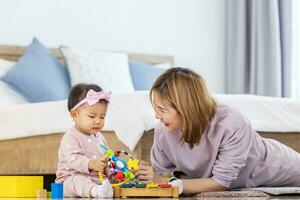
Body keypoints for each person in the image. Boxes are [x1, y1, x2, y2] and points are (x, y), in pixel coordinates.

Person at [134, 67, 300, 195]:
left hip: (280, 165)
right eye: (156, 109)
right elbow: (162, 175)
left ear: (186, 107)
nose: (157, 116)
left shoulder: (232, 123)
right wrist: (147, 175)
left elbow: (220, 184)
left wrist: (168, 182)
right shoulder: (163, 131)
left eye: (162, 110)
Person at [55, 83, 113, 198]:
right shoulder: (71, 136)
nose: (97, 121)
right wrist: (92, 164)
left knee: (112, 181)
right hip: (69, 180)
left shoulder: (100, 137)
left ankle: (101, 190)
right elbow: (74, 160)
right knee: (77, 181)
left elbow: (106, 158)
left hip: (96, 180)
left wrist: (110, 168)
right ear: (74, 114)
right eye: (92, 116)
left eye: (102, 117)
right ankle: (95, 191)